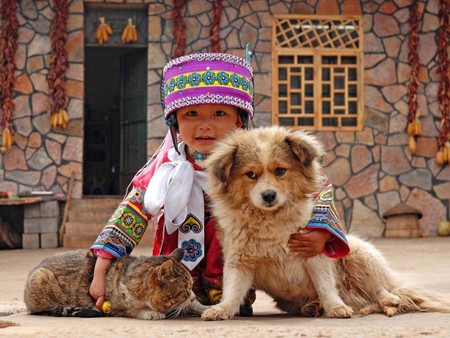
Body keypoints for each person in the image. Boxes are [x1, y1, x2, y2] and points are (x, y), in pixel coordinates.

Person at [89, 52, 350, 317]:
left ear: (238, 119)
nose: (204, 125)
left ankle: (228, 297)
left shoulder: (253, 156)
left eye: (218, 113)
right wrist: (101, 270)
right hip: (172, 280)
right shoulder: (165, 169)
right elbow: (130, 214)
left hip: (233, 282)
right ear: (175, 121)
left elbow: (318, 187)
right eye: (191, 113)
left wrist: (321, 232)